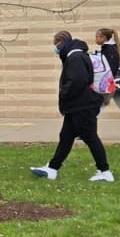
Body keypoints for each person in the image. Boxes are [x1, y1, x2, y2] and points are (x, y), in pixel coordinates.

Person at [31, 30, 113, 182]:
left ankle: (105, 171)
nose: (56, 49)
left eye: (56, 45)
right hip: (77, 107)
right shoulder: (77, 55)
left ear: (61, 42)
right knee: (66, 137)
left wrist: (64, 93)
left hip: (82, 106)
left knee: (91, 137)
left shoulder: (75, 57)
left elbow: (77, 81)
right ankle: (52, 168)